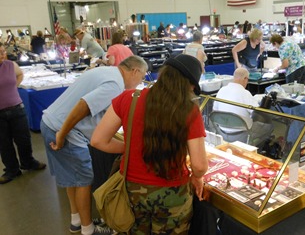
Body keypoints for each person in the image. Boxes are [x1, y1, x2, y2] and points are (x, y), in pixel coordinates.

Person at [91, 54, 208, 234]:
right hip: (173, 193)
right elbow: (199, 166)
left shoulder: (129, 98)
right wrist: (197, 177)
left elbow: (98, 140)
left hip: (131, 191)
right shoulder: (189, 110)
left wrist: (130, 146)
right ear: (189, 84)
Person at [40, 56, 147, 235]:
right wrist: (62, 134)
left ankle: (76, 220)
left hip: (50, 123)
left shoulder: (106, 72)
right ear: (135, 71)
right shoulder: (115, 84)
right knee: (83, 181)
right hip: (64, 131)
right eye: (142, 77)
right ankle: (88, 229)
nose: (140, 82)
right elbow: (83, 106)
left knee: (71, 178)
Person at [0, 42, 46, 184]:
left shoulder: (10, 65)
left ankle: (28, 162)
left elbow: (20, 74)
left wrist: (14, 86)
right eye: (0, 52)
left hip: (16, 108)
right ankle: (12, 170)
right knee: (4, 144)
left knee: (24, 139)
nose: (3, 54)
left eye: (3, 51)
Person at [213, 67, 273, 146]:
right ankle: (255, 149)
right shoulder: (245, 93)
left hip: (222, 132)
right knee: (269, 127)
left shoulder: (221, 90)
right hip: (242, 136)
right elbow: (257, 113)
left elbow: (214, 110)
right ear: (245, 79)